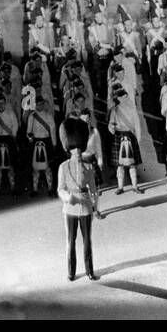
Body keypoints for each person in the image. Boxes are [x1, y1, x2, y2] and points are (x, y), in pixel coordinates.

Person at [57, 118, 101, 282]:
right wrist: (68, 197)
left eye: (79, 147)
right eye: (73, 147)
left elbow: (94, 190)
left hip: (85, 207)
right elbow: (60, 189)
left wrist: (96, 207)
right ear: (69, 148)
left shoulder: (88, 167)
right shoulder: (63, 167)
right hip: (69, 208)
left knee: (87, 241)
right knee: (70, 241)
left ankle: (90, 271)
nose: (76, 151)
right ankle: (71, 272)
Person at [108, 83, 145, 195]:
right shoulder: (115, 110)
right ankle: (120, 187)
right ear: (118, 99)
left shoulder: (132, 110)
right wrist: (112, 128)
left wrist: (137, 138)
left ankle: (135, 186)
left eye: (125, 96)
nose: (124, 99)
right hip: (119, 135)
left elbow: (137, 125)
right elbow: (110, 124)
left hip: (130, 135)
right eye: (122, 97)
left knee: (132, 164)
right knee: (120, 165)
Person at [25, 95, 58, 196]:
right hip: (35, 143)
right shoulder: (32, 116)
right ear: (35, 105)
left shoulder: (49, 116)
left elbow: (53, 130)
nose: (39, 106)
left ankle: (50, 189)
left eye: (41, 104)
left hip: (47, 141)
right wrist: (30, 137)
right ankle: (35, 190)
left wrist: (54, 144)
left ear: (43, 104)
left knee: (48, 168)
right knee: (35, 169)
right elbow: (28, 131)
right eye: (37, 104)